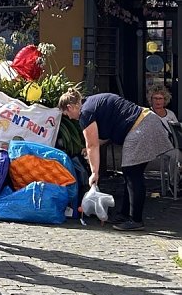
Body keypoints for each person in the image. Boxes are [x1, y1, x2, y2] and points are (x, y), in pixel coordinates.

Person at [59, 89, 172, 231]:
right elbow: (103, 136)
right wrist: (90, 151)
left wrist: (94, 173)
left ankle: (135, 220)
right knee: (131, 173)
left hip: (141, 127)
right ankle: (125, 215)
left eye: (67, 114)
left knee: (132, 174)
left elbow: (92, 145)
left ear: (70, 107)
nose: (70, 118)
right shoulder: (91, 102)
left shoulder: (86, 113)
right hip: (148, 121)